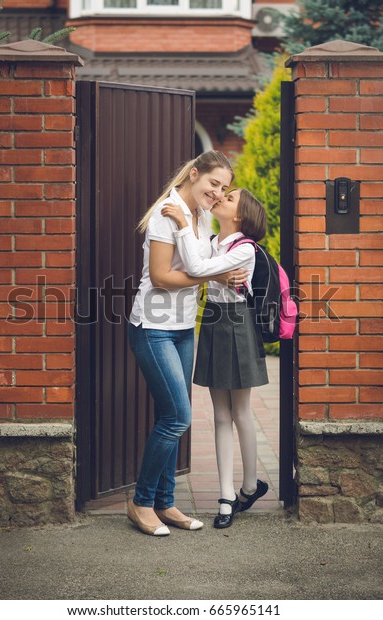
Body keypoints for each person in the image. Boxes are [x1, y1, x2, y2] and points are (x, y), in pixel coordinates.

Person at [127, 151, 248, 536]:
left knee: (172, 417)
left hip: (182, 327)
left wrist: (219, 275)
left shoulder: (198, 216)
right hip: (153, 326)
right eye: (213, 183)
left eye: (224, 189)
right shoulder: (170, 211)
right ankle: (141, 501)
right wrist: (214, 276)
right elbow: (162, 277)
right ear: (194, 174)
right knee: (177, 417)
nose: (217, 193)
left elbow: (201, 264)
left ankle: (165, 503)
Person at [161, 187, 269, 529]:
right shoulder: (213, 241)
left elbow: (195, 266)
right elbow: (199, 265)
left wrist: (180, 222)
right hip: (213, 320)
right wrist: (186, 221)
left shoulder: (245, 250)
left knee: (240, 411)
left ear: (240, 215)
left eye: (230, 197)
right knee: (220, 414)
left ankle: (250, 486)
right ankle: (226, 498)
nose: (222, 196)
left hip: (238, 324)